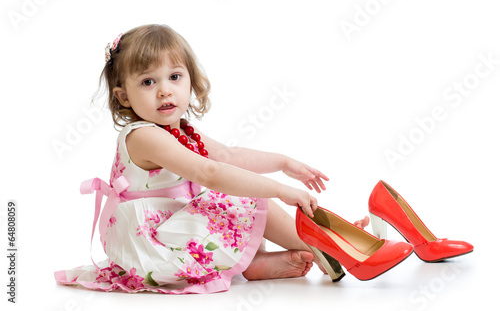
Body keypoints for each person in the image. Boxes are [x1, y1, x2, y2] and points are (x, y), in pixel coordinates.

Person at [54, 24, 369, 294]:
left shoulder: (181, 131)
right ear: (124, 96)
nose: (165, 91)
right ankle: (326, 246)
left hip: (170, 229)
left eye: (174, 77)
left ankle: (258, 261)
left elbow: (228, 156)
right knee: (250, 198)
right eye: (148, 82)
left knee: (235, 197)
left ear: (190, 80)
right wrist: (278, 189)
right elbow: (210, 171)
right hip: (150, 246)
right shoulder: (144, 135)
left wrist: (283, 163)